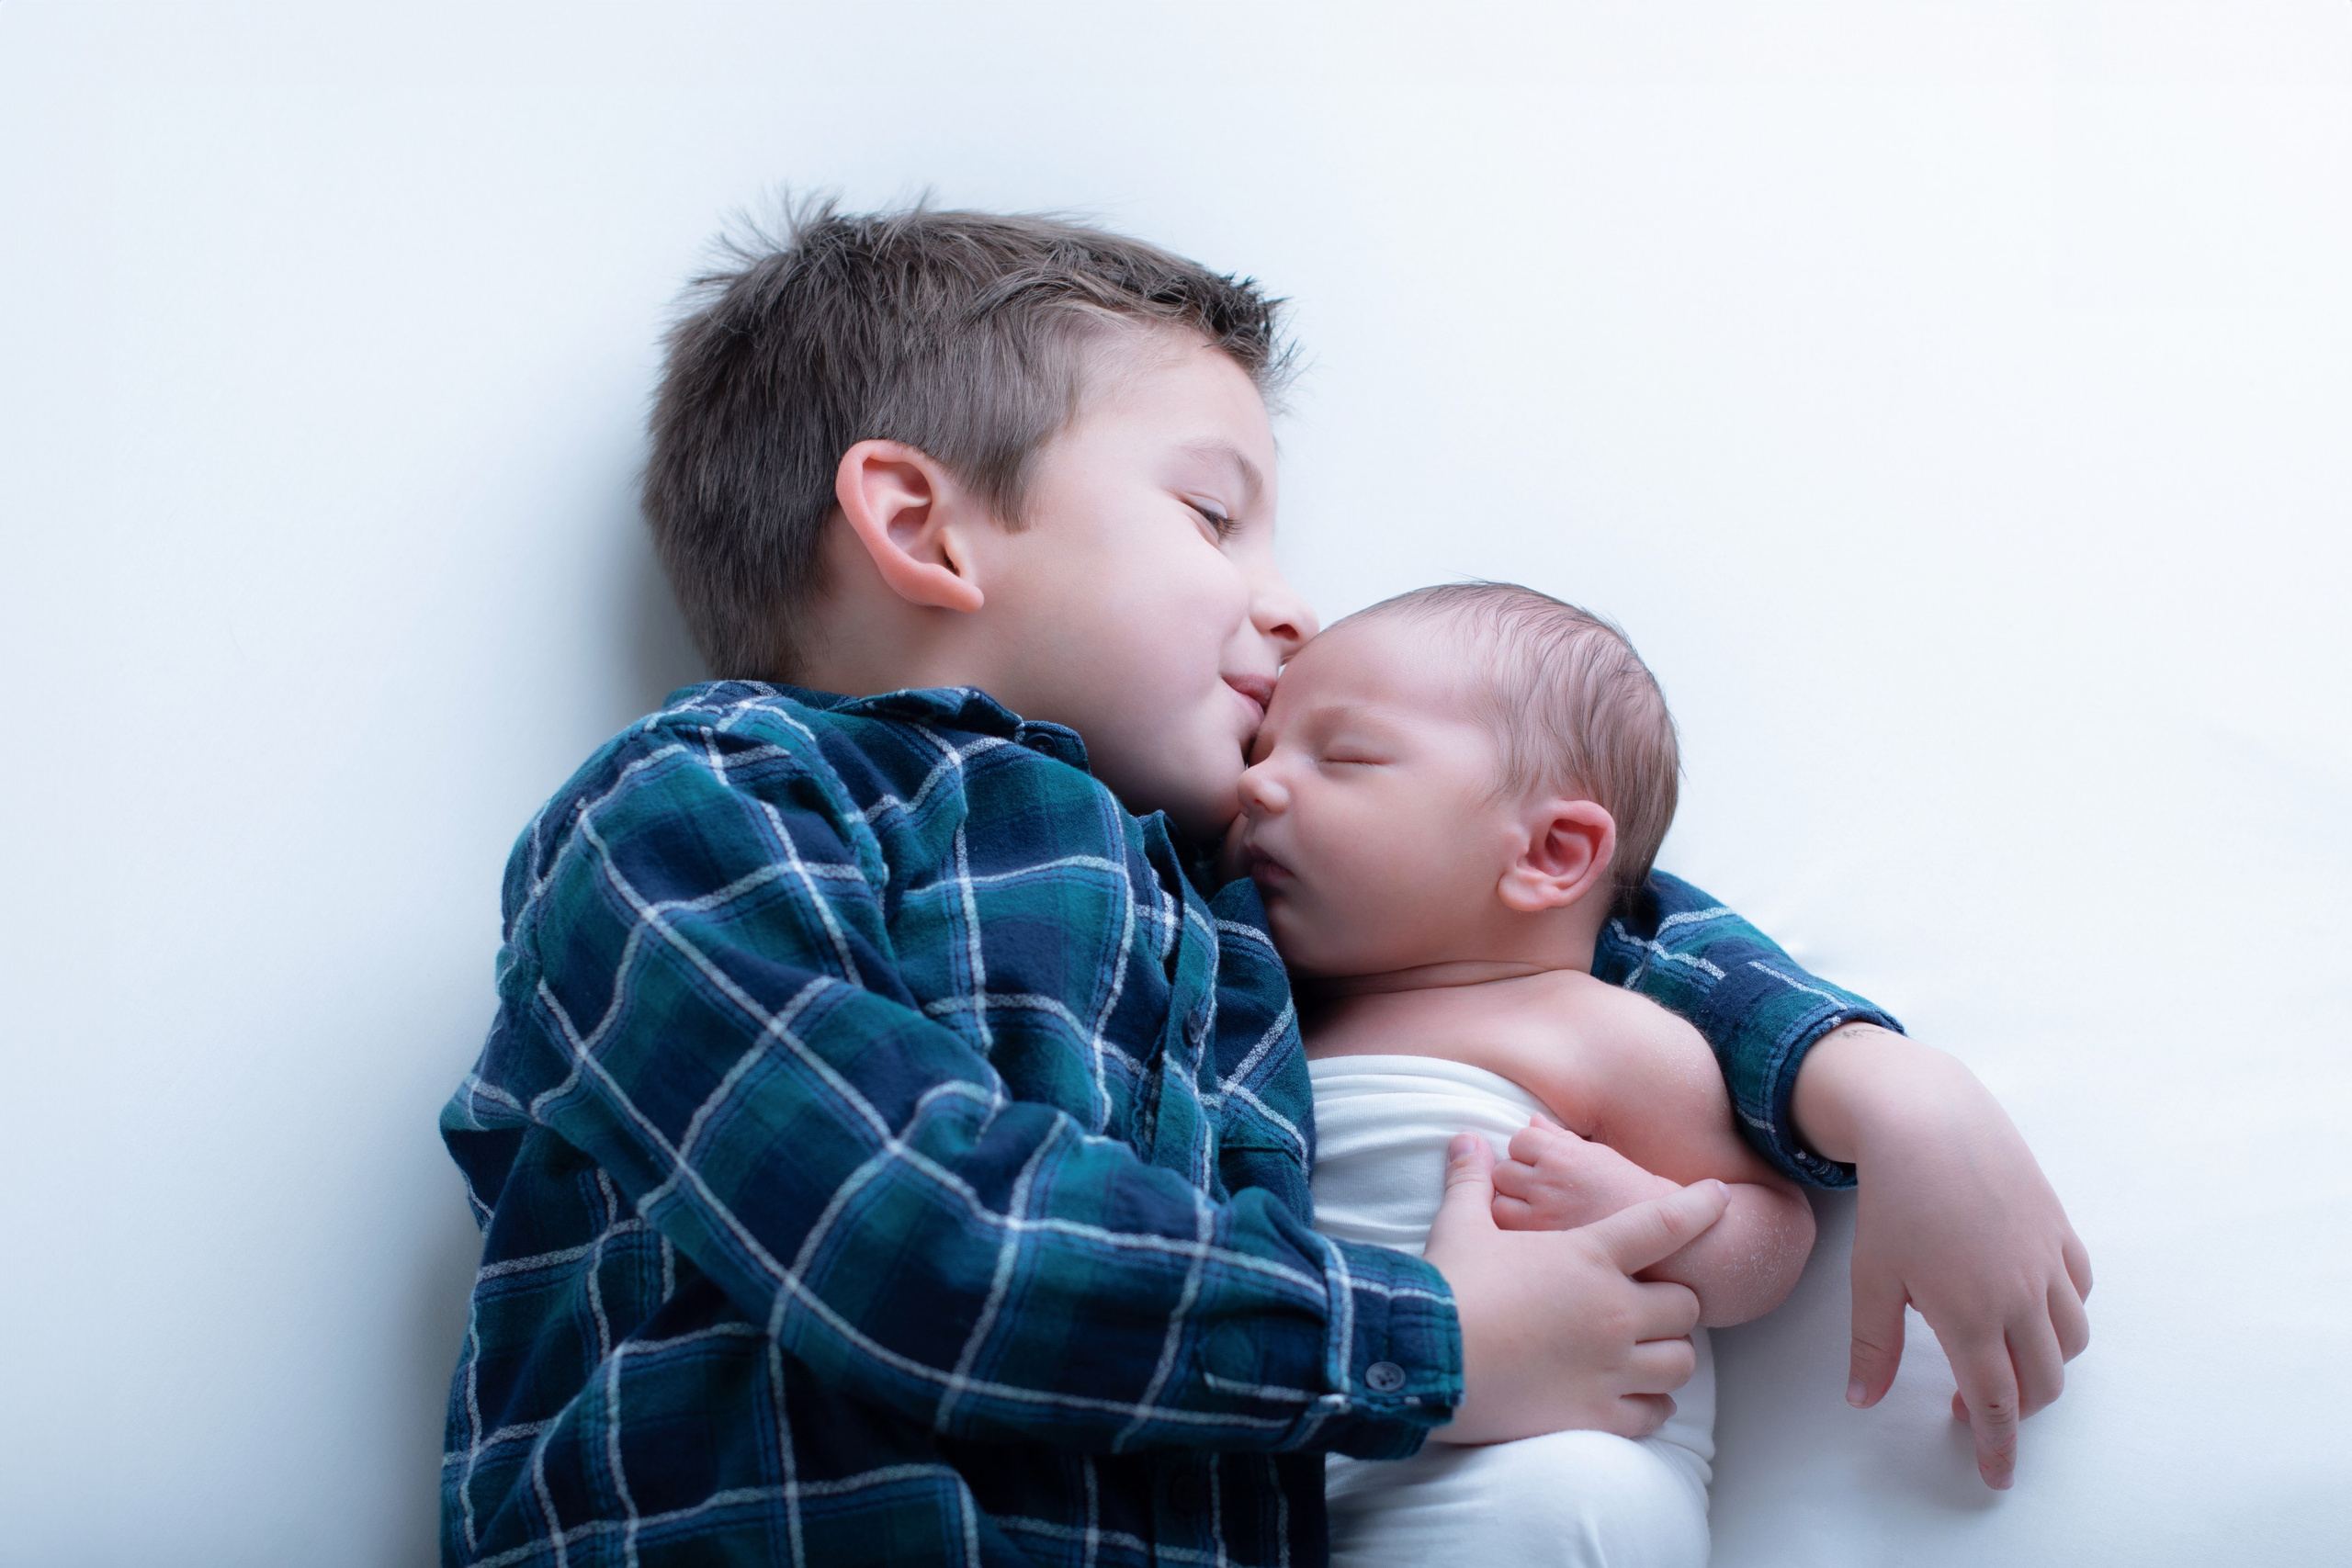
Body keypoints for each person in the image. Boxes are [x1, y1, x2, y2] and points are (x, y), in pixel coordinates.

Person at [437, 203, 2090, 1567]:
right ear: (925, 528)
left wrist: (1882, 1085)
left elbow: (1557, 882)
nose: (1292, 606)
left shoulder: (1229, 888)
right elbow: (915, 1239)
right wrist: (1432, 1339)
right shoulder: (700, 806)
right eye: (1214, 514)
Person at [1223, 582, 1817, 1566]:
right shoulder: (1259, 1017)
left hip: (1542, 1456)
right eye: (1257, 751)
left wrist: (1647, 1213)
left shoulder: (1598, 1033)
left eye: (1343, 757)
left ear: (1550, 852)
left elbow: (1775, 1237)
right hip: (1313, 1460)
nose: (1256, 786)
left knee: (1576, 1503)